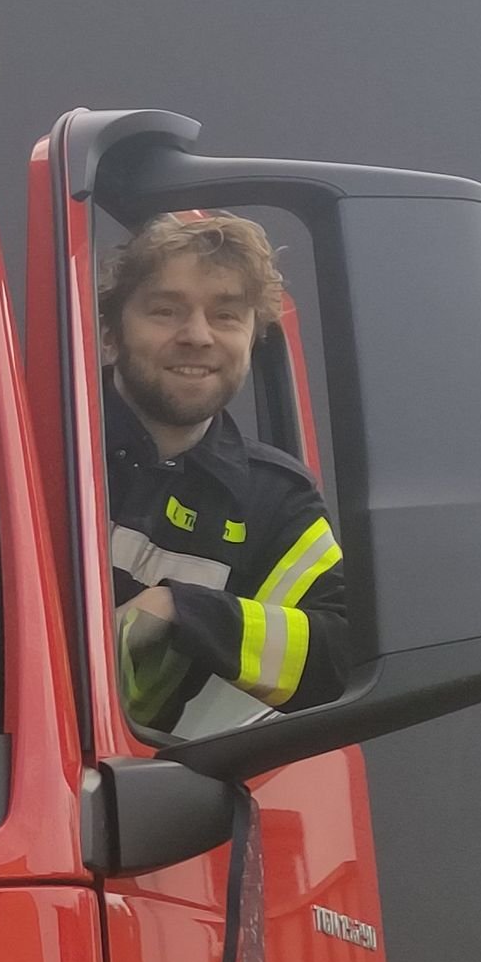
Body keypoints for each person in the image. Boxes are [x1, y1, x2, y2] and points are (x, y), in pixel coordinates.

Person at [99, 211, 350, 734]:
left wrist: (182, 610)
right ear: (109, 330)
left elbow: (343, 655)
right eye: (165, 310)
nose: (197, 336)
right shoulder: (16, 435)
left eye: (227, 315)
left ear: (254, 337)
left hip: (135, 794)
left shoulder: (276, 502)